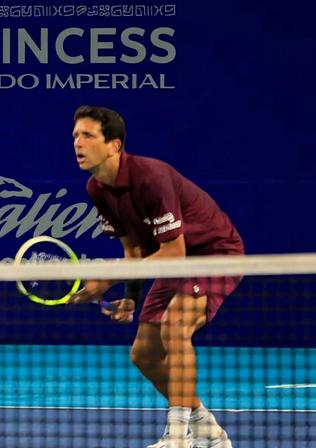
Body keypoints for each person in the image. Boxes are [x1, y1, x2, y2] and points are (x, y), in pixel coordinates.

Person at [67, 106, 243, 448]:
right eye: (75, 135)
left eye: (87, 135)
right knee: (143, 354)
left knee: (176, 324)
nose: (78, 143)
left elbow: (174, 254)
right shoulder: (96, 188)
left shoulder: (150, 177)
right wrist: (130, 296)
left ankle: (177, 438)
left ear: (114, 145)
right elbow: (133, 250)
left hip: (212, 253)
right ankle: (208, 430)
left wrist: (107, 279)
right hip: (173, 257)